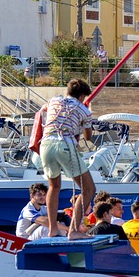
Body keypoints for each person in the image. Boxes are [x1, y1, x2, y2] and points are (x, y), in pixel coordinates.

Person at [39, 78, 96, 239]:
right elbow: (88, 136)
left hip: (46, 144)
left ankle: (52, 229)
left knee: (53, 186)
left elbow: (44, 109)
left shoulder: (54, 100)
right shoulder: (84, 109)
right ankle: (74, 230)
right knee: (88, 189)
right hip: (64, 145)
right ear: (81, 96)